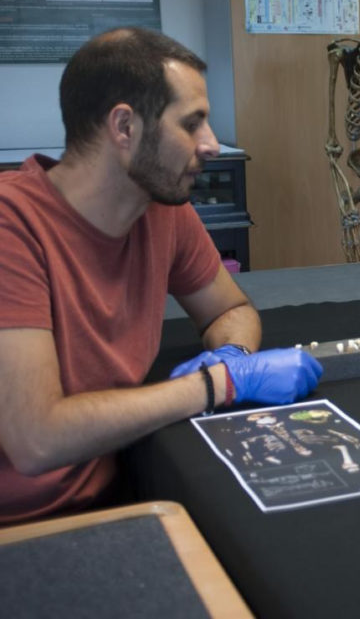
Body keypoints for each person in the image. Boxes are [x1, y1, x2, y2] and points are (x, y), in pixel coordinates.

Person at [0, 27, 322, 524]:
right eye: (192, 124)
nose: (212, 145)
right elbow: (36, 439)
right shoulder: (11, 226)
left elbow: (230, 308)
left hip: (119, 483)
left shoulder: (161, 207)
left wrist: (233, 354)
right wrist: (219, 384)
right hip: (27, 525)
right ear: (125, 127)